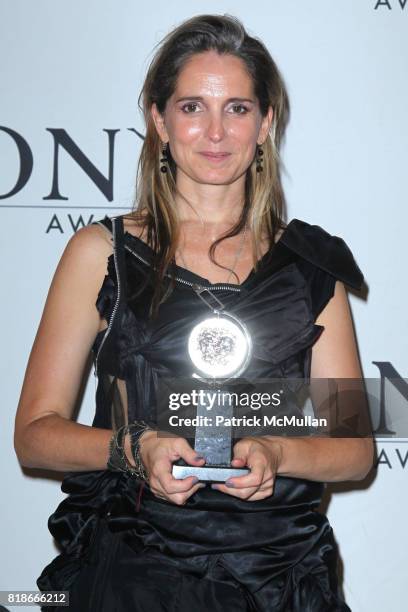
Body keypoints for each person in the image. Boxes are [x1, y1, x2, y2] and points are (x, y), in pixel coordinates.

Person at [14, 13, 374, 612]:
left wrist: (278, 452)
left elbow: (356, 447)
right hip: (135, 569)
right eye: (191, 107)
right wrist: (134, 447)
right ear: (158, 120)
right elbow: (33, 435)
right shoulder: (98, 253)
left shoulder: (312, 264)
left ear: (266, 123)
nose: (215, 132)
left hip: (278, 576)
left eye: (236, 108)